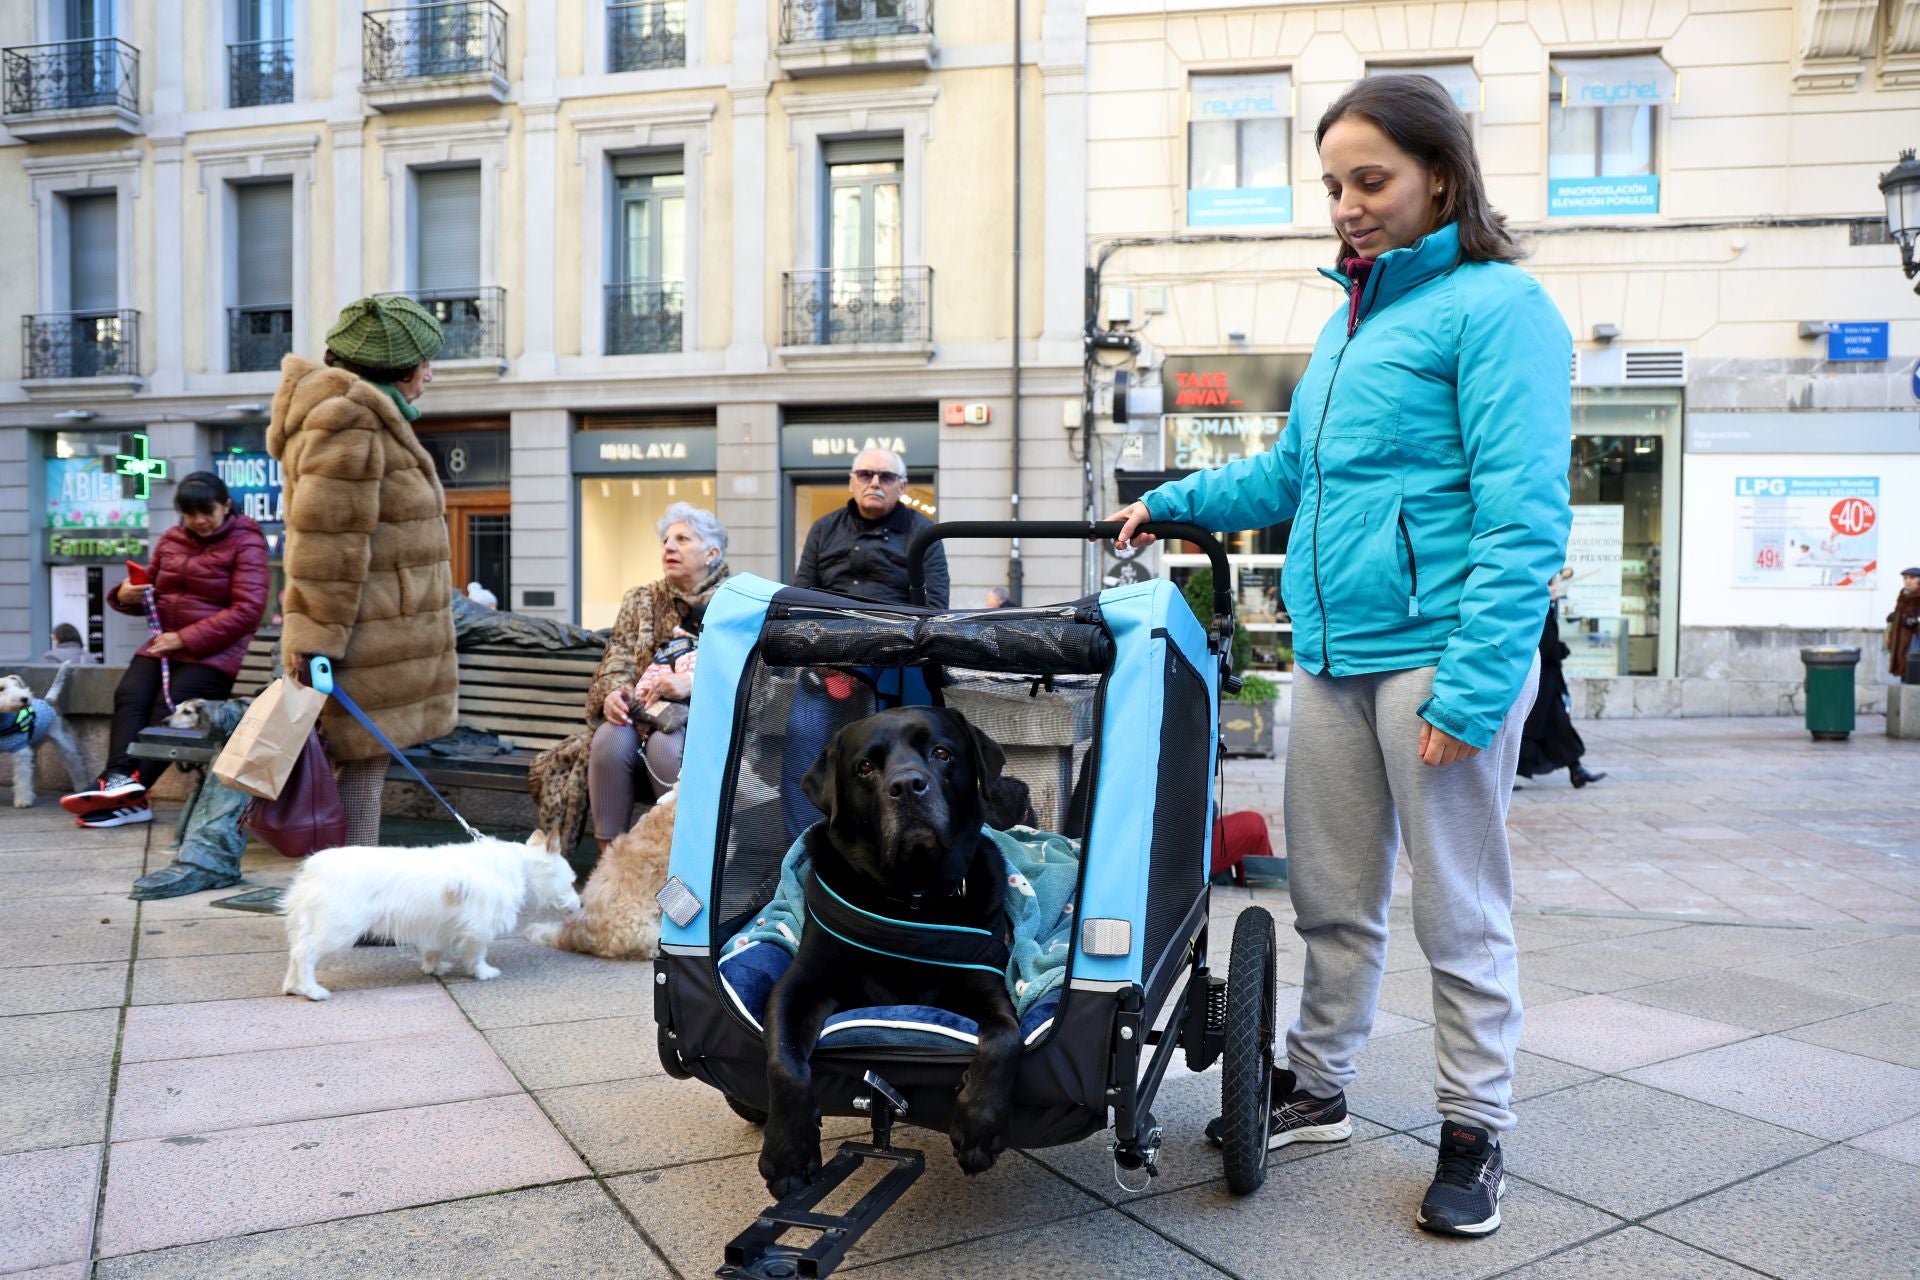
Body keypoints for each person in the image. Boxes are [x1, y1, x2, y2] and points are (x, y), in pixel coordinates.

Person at [1107, 75, 1571, 1237]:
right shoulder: (1348, 324)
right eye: (1334, 185)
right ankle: (1317, 1085)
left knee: (1457, 909)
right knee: (1331, 898)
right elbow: (1285, 479)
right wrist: (1171, 498)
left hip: (1438, 653)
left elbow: (1525, 520)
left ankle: (1475, 1126)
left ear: (1441, 180)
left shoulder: (1498, 307)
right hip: (1333, 651)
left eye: (1372, 181)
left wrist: (1471, 688)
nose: (1348, 206)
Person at [272, 295, 458, 848]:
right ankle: (359, 908)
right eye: (425, 360)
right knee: (361, 771)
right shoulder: (349, 419)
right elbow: (326, 545)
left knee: (357, 769)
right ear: (399, 367)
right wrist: (315, 644)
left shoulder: (363, 415)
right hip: (365, 642)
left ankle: (346, 900)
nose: (431, 371)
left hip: (374, 636)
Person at [62, 472, 270, 836]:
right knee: (129, 695)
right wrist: (123, 595)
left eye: (207, 511)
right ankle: (119, 782)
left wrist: (185, 639)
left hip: (212, 655)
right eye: (191, 514)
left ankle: (130, 793)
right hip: (164, 643)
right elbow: (150, 592)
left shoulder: (247, 542)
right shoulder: (172, 539)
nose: (200, 521)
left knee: (165, 709)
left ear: (226, 506)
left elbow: (248, 610)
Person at [582, 504, 732, 853]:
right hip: (641, 711)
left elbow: (748, 672)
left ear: (712, 553)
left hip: (706, 722)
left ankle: (679, 859)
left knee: (665, 745)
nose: (668, 546)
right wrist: (614, 693)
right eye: (665, 540)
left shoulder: (735, 601)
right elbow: (616, 655)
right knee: (609, 737)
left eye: (682, 538)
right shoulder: (641, 599)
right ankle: (613, 865)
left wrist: (694, 682)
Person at [793, 447, 949, 608]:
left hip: (897, 630)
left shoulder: (924, 534)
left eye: (887, 477)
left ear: (902, 487)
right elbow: (800, 598)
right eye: (865, 475)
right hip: (828, 629)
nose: (874, 483)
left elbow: (935, 608)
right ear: (851, 483)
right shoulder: (823, 529)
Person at [1516, 583, 1606, 788]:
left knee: (1553, 726)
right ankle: (1576, 770)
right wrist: (1561, 650)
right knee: (1542, 727)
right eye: (1551, 585)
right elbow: (1545, 645)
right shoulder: (1541, 607)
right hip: (1543, 681)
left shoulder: (1546, 606)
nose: (1555, 589)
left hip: (1548, 683)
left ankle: (1577, 770)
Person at [1888, 567, 1920, 680]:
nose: (1908, 581)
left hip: (1915, 638)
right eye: (1905, 578)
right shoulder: (1903, 595)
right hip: (1901, 639)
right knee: (1904, 670)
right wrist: (1895, 616)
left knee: (1914, 667)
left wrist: (1915, 620)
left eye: (1912, 578)